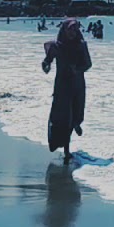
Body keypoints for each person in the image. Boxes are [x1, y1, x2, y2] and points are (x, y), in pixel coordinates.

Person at [42, 19, 92, 164]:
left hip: (77, 85)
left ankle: (75, 124)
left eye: (75, 30)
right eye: (70, 29)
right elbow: (46, 61)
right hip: (62, 86)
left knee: (74, 113)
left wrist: (77, 69)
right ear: (63, 30)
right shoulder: (56, 46)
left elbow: (88, 64)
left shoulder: (81, 45)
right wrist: (46, 66)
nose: (72, 33)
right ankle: (66, 150)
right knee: (62, 119)